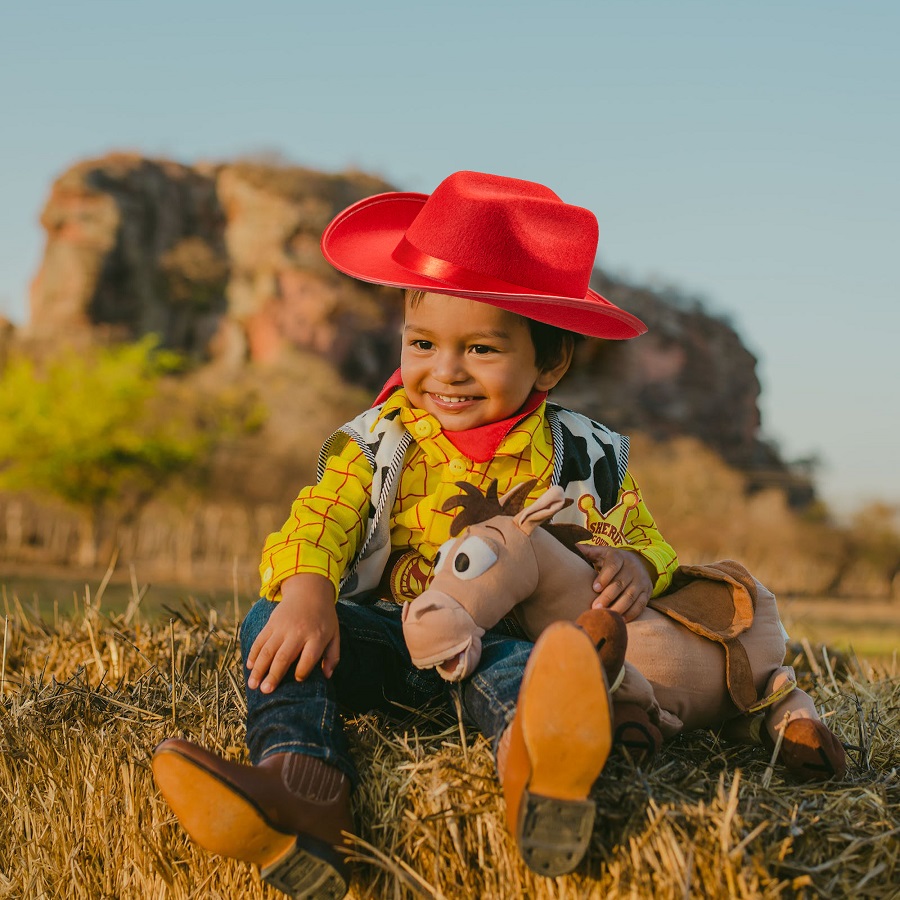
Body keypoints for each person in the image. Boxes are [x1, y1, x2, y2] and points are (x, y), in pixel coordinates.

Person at [150, 171, 840, 900]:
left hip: (503, 649)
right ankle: (302, 787)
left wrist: (639, 564)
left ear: (550, 362)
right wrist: (309, 592)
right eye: (422, 343)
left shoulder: (585, 451)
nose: (444, 371)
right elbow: (319, 517)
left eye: (481, 350)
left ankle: (538, 780)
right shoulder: (381, 439)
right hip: (395, 642)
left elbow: (642, 536)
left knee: (542, 672)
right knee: (270, 625)